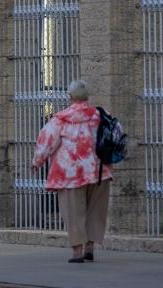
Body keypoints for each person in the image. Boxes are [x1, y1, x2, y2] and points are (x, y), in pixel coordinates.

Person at [32, 80, 113, 263]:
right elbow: (116, 134)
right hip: (99, 170)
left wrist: (37, 161)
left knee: (73, 212)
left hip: (70, 173)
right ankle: (90, 247)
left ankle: (77, 252)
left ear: (70, 97)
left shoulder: (61, 119)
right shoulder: (101, 115)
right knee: (95, 210)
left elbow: (46, 141)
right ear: (87, 97)